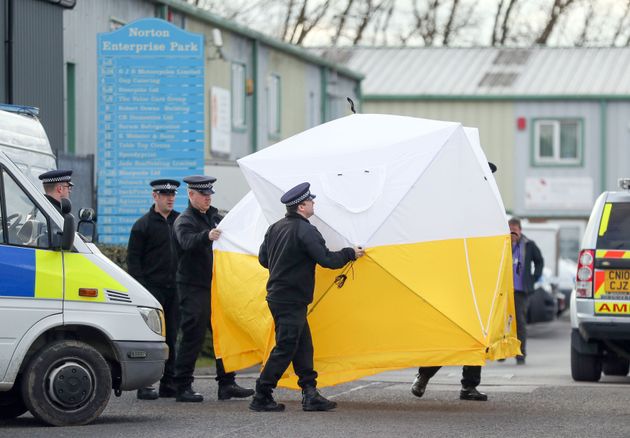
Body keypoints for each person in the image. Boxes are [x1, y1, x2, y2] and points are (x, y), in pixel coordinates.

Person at [249, 182, 365, 412]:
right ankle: (261, 395)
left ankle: (310, 394)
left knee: (303, 346)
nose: (313, 203)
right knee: (286, 347)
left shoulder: (275, 228)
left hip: (280, 296)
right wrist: (351, 253)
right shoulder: (306, 230)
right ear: (302, 206)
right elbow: (327, 260)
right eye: (310, 201)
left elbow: (264, 260)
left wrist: (285, 264)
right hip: (291, 298)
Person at [410, 162, 499, 402]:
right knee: (450, 334)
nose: (487, 181)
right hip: (454, 279)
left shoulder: (488, 206)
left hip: (479, 280)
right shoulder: (456, 203)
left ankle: (468, 386)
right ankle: (424, 375)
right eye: (484, 176)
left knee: (476, 335)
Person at [172, 175, 254, 403]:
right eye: (203, 195)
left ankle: (226, 384)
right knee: (193, 335)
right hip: (193, 286)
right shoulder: (185, 220)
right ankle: (182, 386)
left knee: (224, 333)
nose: (208, 198)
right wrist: (206, 236)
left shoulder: (214, 217)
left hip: (216, 285)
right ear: (191, 195)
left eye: (209, 195)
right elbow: (186, 242)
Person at [127, 179, 181, 400]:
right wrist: (141, 290)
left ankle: (169, 383)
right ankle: (145, 384)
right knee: (149, 337)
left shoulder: (180, 221)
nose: (170, 198)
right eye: (164, 194)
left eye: (173, 195)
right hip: (151, 290)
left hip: (176, 288)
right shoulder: (143, 224)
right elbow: (134, 260)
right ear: (155, 196)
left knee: (173, 336)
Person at [509, 216, 544, 365]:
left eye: (515, 230)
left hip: (521, 291)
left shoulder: (529, 245)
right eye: (510, 230)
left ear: (520, 230)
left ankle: (521, 354)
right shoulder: (503, 244)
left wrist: (533, 278)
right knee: (503, 323)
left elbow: (539, 262)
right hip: (505, 290)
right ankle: (502, 352)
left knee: (520, 322)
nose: (512, 233)